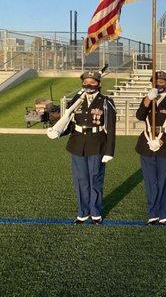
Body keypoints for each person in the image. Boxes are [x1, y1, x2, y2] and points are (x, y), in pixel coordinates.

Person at [47, 69, 116, 225]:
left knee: (95, 178)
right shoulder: (77, 99)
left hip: (97, 144)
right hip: (77, 144)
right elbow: (70, 122)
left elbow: (111, 128)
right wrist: (57, 132)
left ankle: (96, 213)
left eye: (92, 82)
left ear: (99, 84)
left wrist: (109, 151)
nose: (88, 84)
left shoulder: (106, 101)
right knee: (81, 179)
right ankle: (83, 212)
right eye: (85, 82)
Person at [135, 70, 166, 226]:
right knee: (150, 181)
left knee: (164, 181)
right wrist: (148, 99)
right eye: (155, 82)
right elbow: (140, 116)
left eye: (161, 82)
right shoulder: (148, 99)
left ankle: (164, 213)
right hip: (147, 145)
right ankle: (153, 212)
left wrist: (163, 141)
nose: (158, 84)